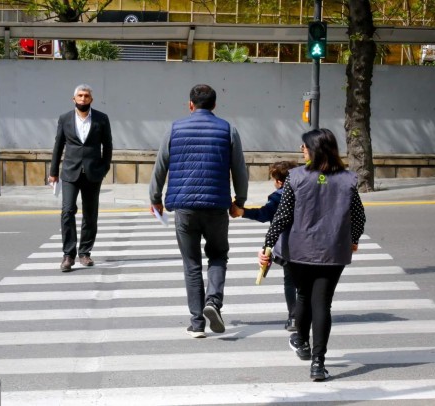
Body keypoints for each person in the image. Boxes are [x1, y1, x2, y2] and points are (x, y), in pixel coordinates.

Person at [258, 128, 365, 381]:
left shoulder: (296, 177)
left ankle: (302, 342)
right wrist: (353, 240)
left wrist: (267, 246)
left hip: (300, 250)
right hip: (333, 251)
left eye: (304, 146)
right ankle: (318, 362)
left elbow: (282, 216)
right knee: (323, 303)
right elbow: (359, 217)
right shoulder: (348, 179)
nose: (302, 149)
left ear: (315, 149)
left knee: (303, 295)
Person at [150, 84, 248, 338]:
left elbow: (160, 166)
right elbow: (239, 169)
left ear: (190, 104)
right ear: (214, 105)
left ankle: (197, 324)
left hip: (184, 206)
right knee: (218, 255)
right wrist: (240, 201)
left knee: (191, 263)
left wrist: (156, 198)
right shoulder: (228, 129)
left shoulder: (175, 128)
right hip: (216, 205)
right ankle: (212, 302)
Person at [49, 84, 113, 272]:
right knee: (67, 210)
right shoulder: (65, 119)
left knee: (90, 214)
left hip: (93, 173)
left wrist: (104, 168)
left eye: (86, 96)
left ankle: (85, 253)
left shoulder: (102, 118)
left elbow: (107, 146)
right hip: (70, 172)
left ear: (91, 99)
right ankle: (68, 255)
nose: (83, 99)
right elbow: (58, 145)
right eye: (80, 96)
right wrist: (53, 172)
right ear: (74, 99)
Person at [230, 161, 299, 332]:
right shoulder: (306, 193)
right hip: (310, 244)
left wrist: (242, 212)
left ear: (280, 182)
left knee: (290, 281)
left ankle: (294, 317)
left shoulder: (278, 197)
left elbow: (264, 214)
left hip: (290, 246)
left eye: (274, 179)